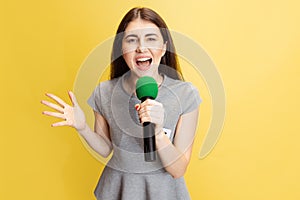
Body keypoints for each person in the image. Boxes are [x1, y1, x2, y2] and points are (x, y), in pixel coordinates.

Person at [42, 7, 201, 200]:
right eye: (132, 40)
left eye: (151, 38)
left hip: (165, 192)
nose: (141, 48)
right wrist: (82, 127)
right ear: (121, 49)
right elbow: (105, 148)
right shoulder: (104, 92)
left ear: (164, 47)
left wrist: (158, 133)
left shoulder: (186, 94)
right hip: (118, 190)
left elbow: (178, 169)